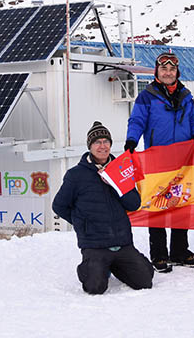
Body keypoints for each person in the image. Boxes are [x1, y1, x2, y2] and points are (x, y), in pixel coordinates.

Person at [52, 122, 154, 295]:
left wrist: (114, 184)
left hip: (122, 242)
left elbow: (134, 204)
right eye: (97, 142)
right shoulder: (76, 175)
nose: (102, 146)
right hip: (95, 244)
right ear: (90, 146)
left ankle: (115, 265)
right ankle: (90, 267)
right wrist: (82, 223)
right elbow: (59, 206)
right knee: (95, 287)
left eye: (106, 141)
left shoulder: (120, 169)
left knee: (145, 280)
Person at [125, 51, 194, 273]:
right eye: (164, 69)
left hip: (183, 159)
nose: (168, 73)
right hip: (157, 160)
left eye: (171, 70)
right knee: (157, 205)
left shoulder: (186, 95)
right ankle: (159, 255)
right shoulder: (147, 96)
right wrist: (132, 139)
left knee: (181, 203)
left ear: (176, 72)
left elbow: (192, 120)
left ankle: (179, 251)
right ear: (157, 72)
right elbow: (137, 120)